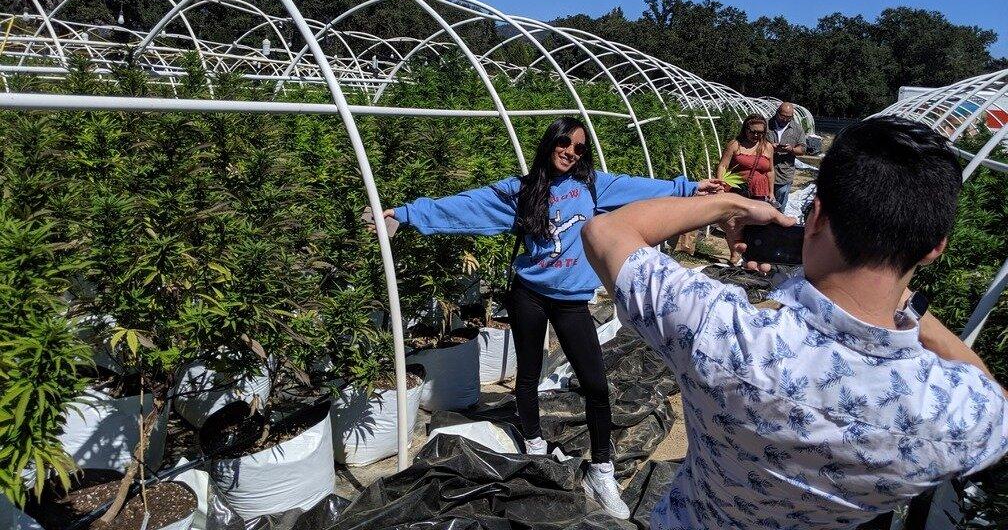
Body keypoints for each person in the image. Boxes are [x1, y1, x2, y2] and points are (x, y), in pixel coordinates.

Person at [581, 116, 1008, 529]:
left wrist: (730, 203)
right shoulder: (959, 412)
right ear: (934, 248)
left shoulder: (723, 333)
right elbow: (995, 400)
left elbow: (606, 231)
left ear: (817, 217)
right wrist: (913, 312)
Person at [379, 117, 724, 519]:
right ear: (549, 144)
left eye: (579, 148)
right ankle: (535, 445)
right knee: (527, 376)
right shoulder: (522, 191)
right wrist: (405, 214)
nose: (571, 152)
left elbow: (641, 186)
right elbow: (467, 205)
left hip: (571, 302)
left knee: (595, 384)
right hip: (528, 296)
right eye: (564, 143)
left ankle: (601, 469)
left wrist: (688, 188)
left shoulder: (594, 185)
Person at [717, 115, 774, 263]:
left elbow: (770, 171)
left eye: (760, 133)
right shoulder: (735, 145)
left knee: (756, 224)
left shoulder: (767, 147)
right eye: (753, 131)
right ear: (745, 129)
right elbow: (723, 165)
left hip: (759, 191)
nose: (756, 135)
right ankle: (735, 253)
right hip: (737, 189)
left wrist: (771, 192)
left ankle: (752, 256)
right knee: (733, 224)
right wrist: (721, 185)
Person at [768, 101, 807, 210]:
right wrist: (770, 148)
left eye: (788, 117)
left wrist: (791, 149)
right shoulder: (766, 125)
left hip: (784, 173)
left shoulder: (797, 129)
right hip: (765, 172)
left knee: (779, 207)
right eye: (782, 116)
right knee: (763, 206)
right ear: (777, 113)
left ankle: (776, 225)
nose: (785, 120)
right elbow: (756, 145)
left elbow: (802, 149)